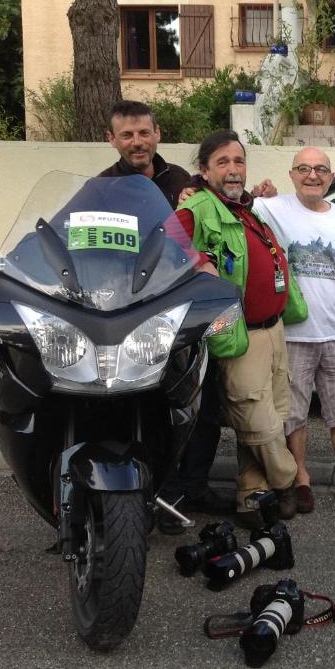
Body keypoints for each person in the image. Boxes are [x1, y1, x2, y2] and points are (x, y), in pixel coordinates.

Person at [98, 100, 230, 524]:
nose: (137, 142)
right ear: (112, 139)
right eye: (127, 134)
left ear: (157, 134)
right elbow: (78, 243)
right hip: (131, 311)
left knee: (201, 399)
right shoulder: (100, 188)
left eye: (144, 133)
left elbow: (231, 207)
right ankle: (151, 492)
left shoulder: (186, 182)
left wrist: (261, 194)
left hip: (185, 307)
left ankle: (195, 486)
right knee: (145, 402)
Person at [251, 147, 335, 513]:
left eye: (321, 169)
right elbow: (236, 209)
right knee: (293, 414)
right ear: (292, 175)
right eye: (305, 169)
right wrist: (258, 191)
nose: (313, 175)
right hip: (293, 334)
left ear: (330, 176)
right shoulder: (271, 207)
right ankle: (301, 479)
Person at [175, 130, 299, 527]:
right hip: (239, 334)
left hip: (273, 329)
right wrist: (198, 262)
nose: (233, 169)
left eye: (238, 161)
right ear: (204, 170)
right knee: (255, 418)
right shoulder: (196, 207)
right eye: (223, 162)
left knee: (275, 415)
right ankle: (288, 480)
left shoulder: (245, 207)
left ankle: (251, 499)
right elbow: (163, 246)